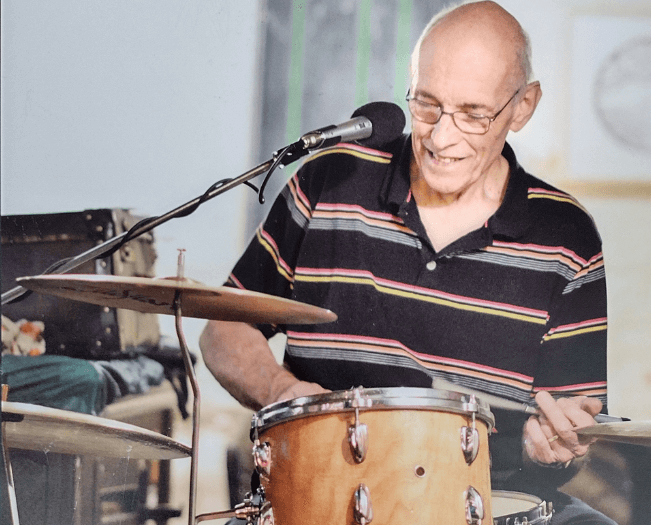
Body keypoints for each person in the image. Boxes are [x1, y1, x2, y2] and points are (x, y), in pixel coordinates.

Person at [200, 1, 614, 524]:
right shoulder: (330, 182)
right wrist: (282, 389)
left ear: (523, 106)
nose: (441, 138)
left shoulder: (567, 237)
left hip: (484, 502)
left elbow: (572, 429)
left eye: (473, 114)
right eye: (426, 105)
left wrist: (551, 446)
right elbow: (223, 327)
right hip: (322, 489)